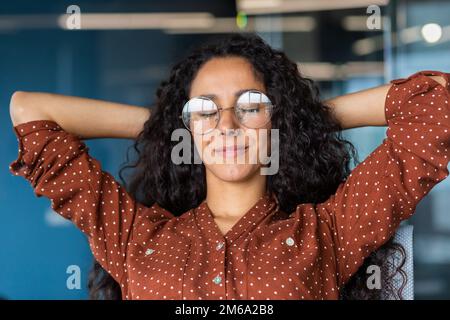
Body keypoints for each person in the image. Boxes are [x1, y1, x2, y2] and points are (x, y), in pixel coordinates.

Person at [9, 33, 449, 300]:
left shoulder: (329, 233)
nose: (226, 124)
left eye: (251, 105)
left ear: (278, 120)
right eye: (205, 110)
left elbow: (438, 102)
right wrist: (169, 124)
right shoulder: (133, 236)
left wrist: (302, 117)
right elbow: (29, 110)